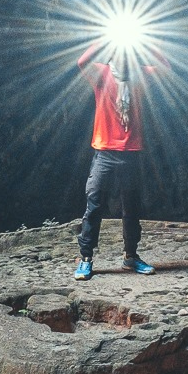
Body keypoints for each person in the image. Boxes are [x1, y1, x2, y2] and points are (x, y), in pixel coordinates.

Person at [73, 37, 163, 280]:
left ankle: (130, 257)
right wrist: (107, 38)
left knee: (131, 207)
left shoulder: (140, 76)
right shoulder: (102, 74)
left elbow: (164, 66)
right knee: (94, 205)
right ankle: (86, 259)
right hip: (105, 151)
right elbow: (83, 60)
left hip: (132, 152)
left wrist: (144, 40)